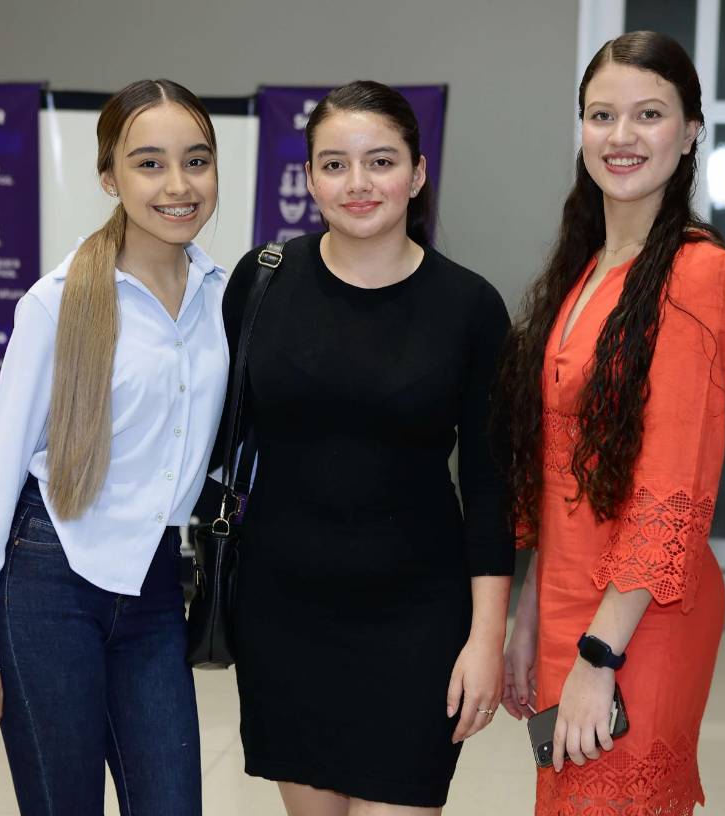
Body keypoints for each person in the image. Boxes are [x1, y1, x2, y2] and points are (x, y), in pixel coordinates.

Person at [223, 80, 514, 815]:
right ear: (310, 177)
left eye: (381, 162)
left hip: (418, 620)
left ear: (417, 175)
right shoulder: (262, 285)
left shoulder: (470, 307)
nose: (358, 184)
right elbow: (209, 437)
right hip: (284, 614)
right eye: (334, 164)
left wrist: (487, 640)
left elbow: (489, 487)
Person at [0, 78, 227, 816]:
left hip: (157, 588)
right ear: (110, 177)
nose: (178, 185)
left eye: (196, 161)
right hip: (48, 583)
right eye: (150, 163)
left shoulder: (225, 300)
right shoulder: (59, 302)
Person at [496, 32, 725, 815]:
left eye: (649, 114)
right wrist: (530, 612)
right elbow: (559, 470)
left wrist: (600, 654)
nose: (622, 136)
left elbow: (673, 485)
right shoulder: (585, 271)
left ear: (692, 130)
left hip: (639, 619)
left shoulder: (699, 274)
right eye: (602, 115)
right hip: (569, 604)